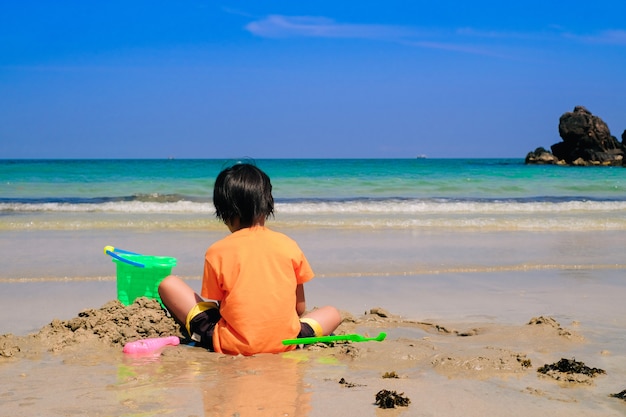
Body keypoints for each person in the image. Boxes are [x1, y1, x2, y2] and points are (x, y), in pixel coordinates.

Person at [158, 162, 342, 355]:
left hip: (231, 345)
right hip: (286, 342)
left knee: (168, 283)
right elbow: (299, 308)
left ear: (224, 212)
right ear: (268, 206)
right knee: (332, 313)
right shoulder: (289, 245)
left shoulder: (217, 251)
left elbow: (224, 311)